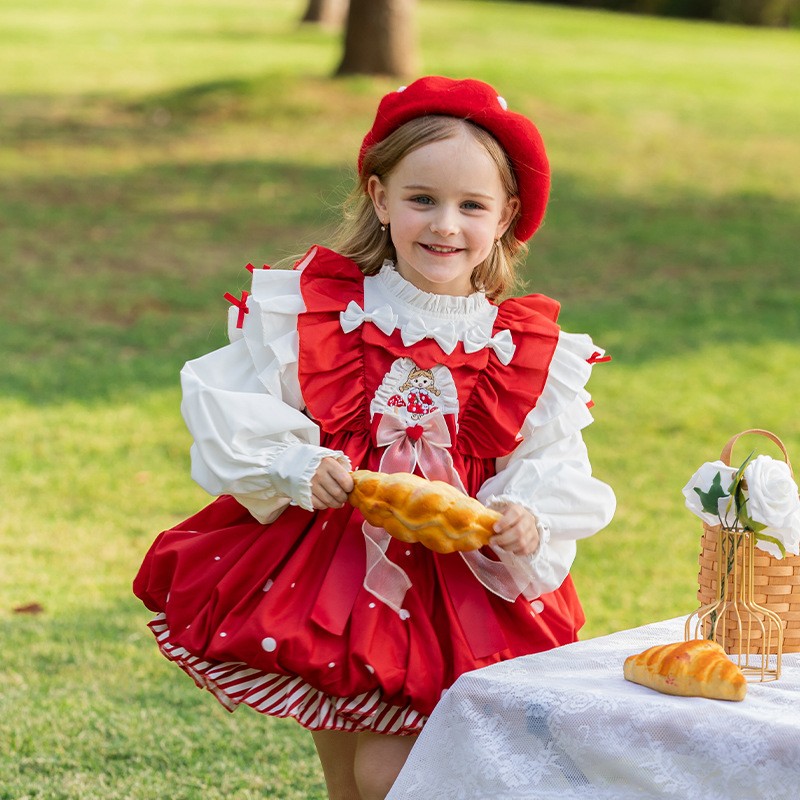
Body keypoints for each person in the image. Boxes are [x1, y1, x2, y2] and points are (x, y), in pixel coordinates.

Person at [133, 75, 616, 800]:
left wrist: (529, 512)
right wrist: (296, 463)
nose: (444, 225)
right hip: (332, 564)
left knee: (398, 763)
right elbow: (230, 400)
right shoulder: (324, 311)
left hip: (456, 586)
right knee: (348, 758)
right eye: (422, 199)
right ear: (380, 197)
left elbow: (548, 457)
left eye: (470, 206)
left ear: (505, 216)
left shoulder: (521, 348)